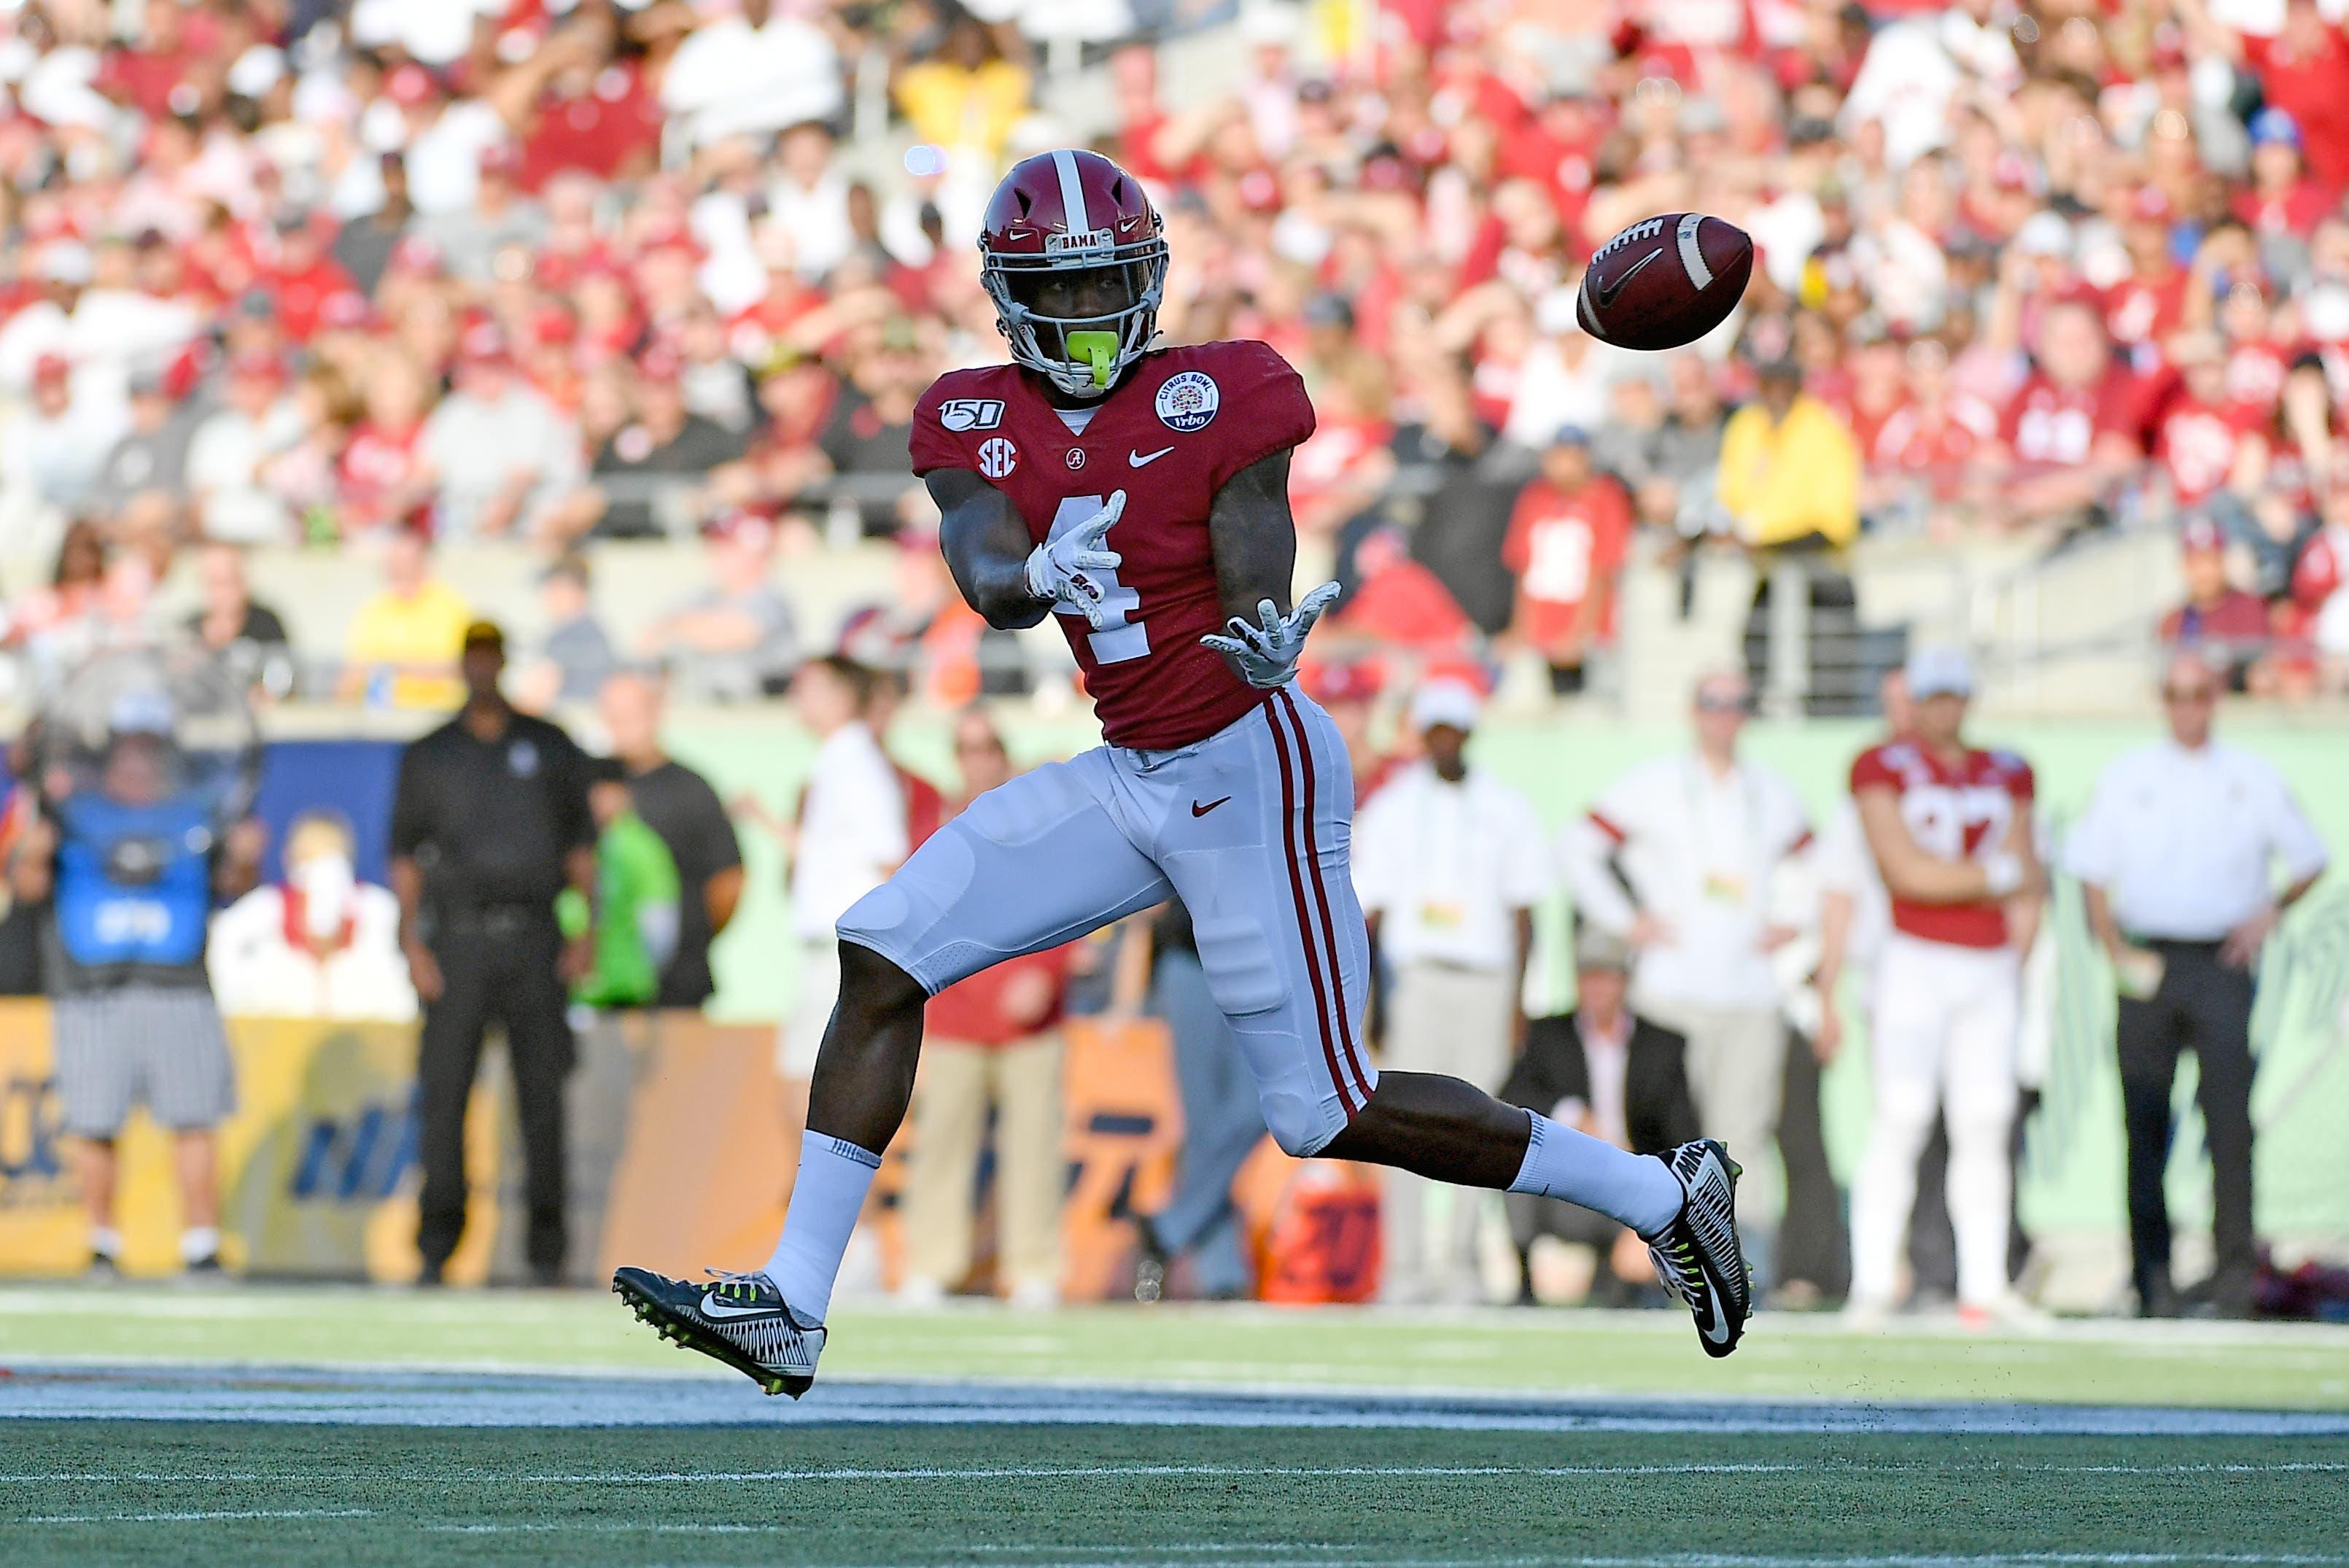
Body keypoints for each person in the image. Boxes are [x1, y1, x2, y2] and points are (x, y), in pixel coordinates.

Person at [614, 151, 1750, 1397]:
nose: (1090, 315)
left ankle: (1659, 1190)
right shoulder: (974, 415)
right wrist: (1033, 578)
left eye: (1110, 285)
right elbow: (984, 563)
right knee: (881, 948)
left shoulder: (1226, 389)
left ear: (1150, 282)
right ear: (1008, 299)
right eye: (1066, 290)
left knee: (1323, 1112)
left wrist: (1260, 626)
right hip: (1130, 768)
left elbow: (1252, 530)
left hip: (1246, 757)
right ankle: (791, 1301)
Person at [2065, 651, 2328, 1317]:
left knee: (2229, 1127)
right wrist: (2113, 948)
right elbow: (2090, 870)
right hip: (2148, 958)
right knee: (2145, 1123)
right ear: (2163, 699)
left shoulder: (2249, 776)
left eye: (2199, 694)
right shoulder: (2130, 776)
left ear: (2215, 698)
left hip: (2221, 962)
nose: (2188, 706)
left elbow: (2308, 858)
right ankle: (2151, 1281)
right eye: (2176, 694)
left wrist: (2268, 912)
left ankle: (2234, 1282)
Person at [1558, 670, 1811, 1278]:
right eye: (1712, 704)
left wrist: (1794, 923)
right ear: (1692, 711)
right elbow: (1576, 846)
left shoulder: (1770, 792)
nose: (1724, 716)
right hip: (1671, 991)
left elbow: (1822, 870)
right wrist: (1625, 921)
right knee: (1667, 1140)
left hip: (1749, 995)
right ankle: (1661, 1270)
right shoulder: (1654, 784)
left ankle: (1745, 1269)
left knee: (1742, 1140)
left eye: (1736, 705)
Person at [9, 694, 263, 1277]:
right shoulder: (70, 811)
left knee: (193, 1114)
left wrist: (246, 859)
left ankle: (200, 1243)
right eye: (130, 750)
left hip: (178, 980)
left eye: (152, 751)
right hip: (93, 983)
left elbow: (233, 882)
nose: (140, 764)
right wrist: (35, 847)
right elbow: (26, 888)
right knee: (94, 1119)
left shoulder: (200, 811)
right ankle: (103, 1242)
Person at [389, 621, 595, 1286]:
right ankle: (437, 1244)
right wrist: (411, 938)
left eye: (489, 658)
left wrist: (586, 929)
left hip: (534, 936)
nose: (481, 670)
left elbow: (582, 849)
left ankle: (546, 1248)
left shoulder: (549, 744)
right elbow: (405, 857)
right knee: (445, 1097)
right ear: (461, 666)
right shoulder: (432, 754)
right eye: (471, 659)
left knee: (542, 1098)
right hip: (459, 940)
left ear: (502, 663)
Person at [1844, 648, 2043, 1326]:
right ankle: (1872, 1283)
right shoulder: (1881, 765)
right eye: (1932, 697)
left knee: (1986, 1120)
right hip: (1914, 957)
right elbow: (1906, 873)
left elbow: (2029, 872)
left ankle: (1984, 1286)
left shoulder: (2008, 769)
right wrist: (1990, 878)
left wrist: (2009, 925)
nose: (1943, 710)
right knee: (1900, 1115)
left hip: (1987, 963)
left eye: (1953, 696)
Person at [1352, 677, 1550, 1304]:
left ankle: (1461, 1265)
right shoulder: (1390, 807)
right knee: (1404, 1124)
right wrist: (1369, 1004)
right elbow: (1368, 916)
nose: (1443, 743)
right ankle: (1404, 1269)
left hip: (1485, 981)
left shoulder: (1505, 807)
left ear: (1466, 736)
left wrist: (1520, 1004)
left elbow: (1525, 915)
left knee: (1480, 1126)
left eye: (1452, 732)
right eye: (1433, 731)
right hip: (1414, 979)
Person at [897, 710, 1071, 1307]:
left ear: (1003, 753)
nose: (978, 759)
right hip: (952, 1012)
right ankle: (932, 1263)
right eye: (966, 748)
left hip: (1029, 1019)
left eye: (988, 746)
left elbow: (1069, 902)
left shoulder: (1042, 824)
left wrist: (1046, 973)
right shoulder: (932, 825)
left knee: (1035, 1147)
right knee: (941, 1144)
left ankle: (1033, 1268)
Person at [1503, 928, 1700, 1307]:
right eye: (1588, 977)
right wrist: (1574, 1114)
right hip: (1568, 1184)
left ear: (1624, 983)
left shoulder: (1662, 1046)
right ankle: (1525, 1281)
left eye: (1606, 977)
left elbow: (1683, 1137)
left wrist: (1652, 1217)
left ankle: (1631, 1279)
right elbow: (1510, 1098)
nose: (1596, 989)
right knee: (1511, 1159)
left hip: (1631, 1186)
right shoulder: (1549, 1036)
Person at [774, 655, 905, 1086]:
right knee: (806, 1080)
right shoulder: (838, 761)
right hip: (833, 947)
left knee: (813, 1084)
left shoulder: (857, 765)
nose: (798, 696)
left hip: (843, 950)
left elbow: (891, 859)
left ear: (841, 696)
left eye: (809, 686)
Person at [597, 669, 742, 1011]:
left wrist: (690, 937)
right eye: (612, 717)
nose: (619, 726)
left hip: (677, 982)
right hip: (604, 983)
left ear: (655, 712)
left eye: (629, 715)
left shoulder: (690, 790)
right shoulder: (588, 785)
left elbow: (728, 881)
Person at [209, 810, 415, 1020]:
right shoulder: (271, 904)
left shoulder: (375, 907)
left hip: (354, 1026)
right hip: (284, 1026)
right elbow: (224, 935)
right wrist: (235, 1004)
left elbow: (390, 977)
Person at [1504, 428, 1634, 697]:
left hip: (1587, 641)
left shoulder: (1605, 497)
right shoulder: (1535, 497)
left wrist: (1579, 634)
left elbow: (1603, 568)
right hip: (1539, 633)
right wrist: (1521, 629)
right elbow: (1524, 567)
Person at [341, 524, 473, 710]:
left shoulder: (450, 607)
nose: (398, 569)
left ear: (422, 563)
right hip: (385, 715)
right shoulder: (375, 611)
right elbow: (356, 670)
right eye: (393, 563)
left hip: (439, 714)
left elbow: (462, 667)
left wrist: (397, 668)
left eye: (405, 563)